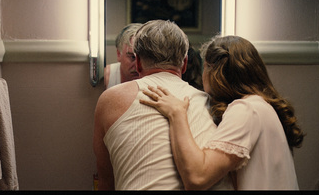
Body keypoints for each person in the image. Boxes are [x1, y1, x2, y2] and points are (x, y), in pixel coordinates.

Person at [140, 35, 305, 190]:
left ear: (212, 70)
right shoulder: (261, 106)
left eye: (205, 67)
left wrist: (177, 114)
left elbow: (198, 178)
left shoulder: (246, 110)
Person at [93, 20, 234, 190]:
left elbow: (106, 181)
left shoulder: (110, 100)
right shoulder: (212, 104)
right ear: (184, 64)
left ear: (137, 63)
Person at [104, 23, 143, 89]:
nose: (137, 65)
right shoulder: (107, 77)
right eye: (132, 57)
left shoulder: (155, 77)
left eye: (142, 58)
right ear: (119, 54)